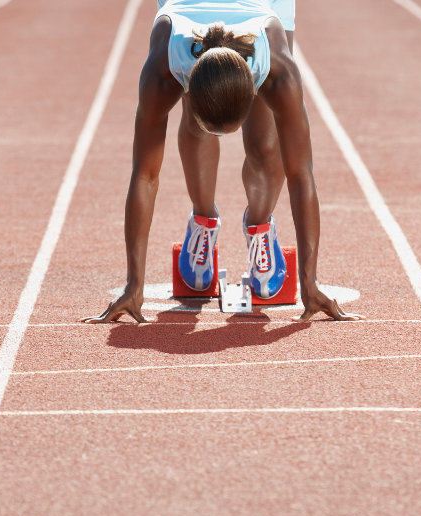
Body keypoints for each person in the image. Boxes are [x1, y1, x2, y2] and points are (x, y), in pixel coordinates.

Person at [83, 0, 362, 323]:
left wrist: (309, 283)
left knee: (266, 142)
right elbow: (145, 174)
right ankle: (203, 220)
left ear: (255, 84)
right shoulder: (164, 68)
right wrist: (134, 284)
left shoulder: (278, 71)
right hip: (186, 12)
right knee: (197, 130)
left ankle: (261, 226)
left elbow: (300, 173)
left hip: (261, 6)